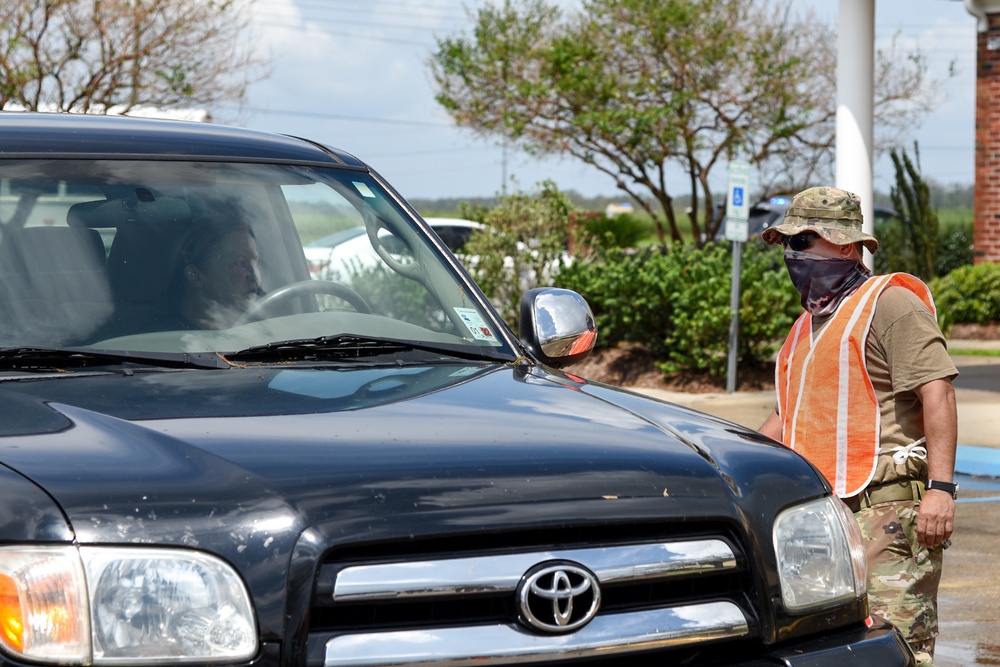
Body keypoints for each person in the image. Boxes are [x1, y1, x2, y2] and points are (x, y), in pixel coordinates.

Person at [757, 186, 958, 666]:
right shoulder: (808, 323)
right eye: (787, 244)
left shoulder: (891, 304)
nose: (792, 254)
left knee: (898, 648)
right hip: (824, 520)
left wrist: (941, 489)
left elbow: (938, 391)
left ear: (845, 245)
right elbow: (788, 415)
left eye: (803, 241)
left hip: (885, 515)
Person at [166, 218, 262, 330]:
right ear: (196, 276)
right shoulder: (160, 340)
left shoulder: (270, 325)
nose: (255, 276)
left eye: (256, 261)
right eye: (239, 263)